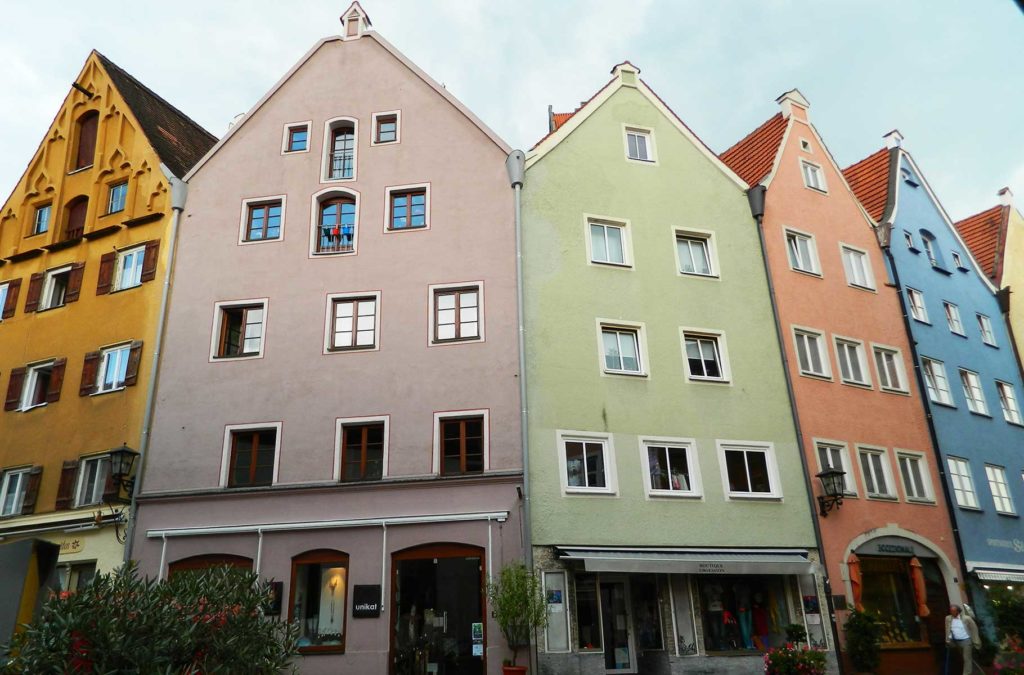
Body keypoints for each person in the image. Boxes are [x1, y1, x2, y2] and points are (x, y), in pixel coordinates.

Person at [945, 604, 980, 675]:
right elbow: (947, 629)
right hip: (956, 641)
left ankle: (966, 673)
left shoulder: (966, 618)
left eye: (954, 611)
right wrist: (948, 639)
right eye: (951, 611)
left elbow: (974, 628)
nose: (952, 612)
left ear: (958, 611)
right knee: (965, 658)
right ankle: (974, 670)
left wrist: (975, 639)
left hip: (966, 640)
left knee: (966, 658)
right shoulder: (948, 618)